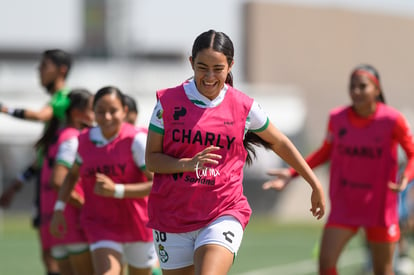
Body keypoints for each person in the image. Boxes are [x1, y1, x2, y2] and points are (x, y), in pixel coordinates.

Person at [144, 29, 325, 275]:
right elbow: (152, 160)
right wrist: (186, 164)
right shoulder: (167, 103)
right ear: (191, 63)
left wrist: (314, 182)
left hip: (222, 212)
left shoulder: (244, 106)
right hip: (172, 216)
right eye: (202, 67)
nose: (209, 76)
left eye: (217, 68)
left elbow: (280, 142)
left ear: (230, 65)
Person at [266, 64, 414, 275]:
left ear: (377, 89)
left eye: (362, 86)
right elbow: (324, 152)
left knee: (383, 270)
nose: (356, 91)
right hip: (346, 205)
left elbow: (412, 154)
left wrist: (406, 177)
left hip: (380, 207)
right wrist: (292, 173)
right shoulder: (338, 118)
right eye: (352, 86)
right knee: (326, 263)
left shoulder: (392, 120)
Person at [50, 86, 157, 275]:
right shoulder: (83, 141)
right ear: (93, 113)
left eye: (113, 111)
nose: (106, 117)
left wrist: (116, 190)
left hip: (138, 225)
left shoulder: (137, 140)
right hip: (101, 225)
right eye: (100, 111)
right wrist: (59, 208)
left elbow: (156, 184)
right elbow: (71, 175)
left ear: (124, 111)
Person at [0, 49, 72, 275]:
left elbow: (41, 115)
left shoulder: (64, 98)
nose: (38, 72)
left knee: (58, 256)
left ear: (61, 71)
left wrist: (4, 109)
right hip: (45, 187)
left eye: (44, 66)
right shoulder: (55, 101)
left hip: (57, 190)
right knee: (49, 255)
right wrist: (18, 183)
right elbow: (43, 157)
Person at [40, 88, 95, 275]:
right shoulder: (73, 138)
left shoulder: (59, 136)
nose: (97, 114)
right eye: (93, 108)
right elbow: (58, 181)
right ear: (77, 113)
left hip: (58, 227)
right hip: (73, 224)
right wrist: (88, 206)